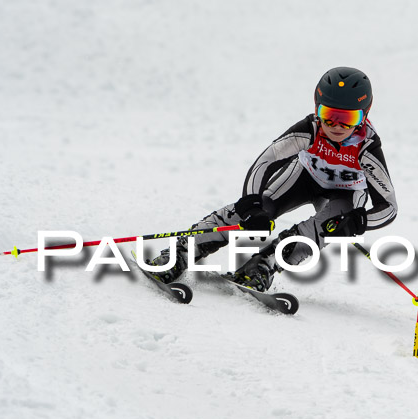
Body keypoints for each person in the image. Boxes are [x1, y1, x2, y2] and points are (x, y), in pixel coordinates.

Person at [150, 66, 398, 291]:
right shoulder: (309, 129)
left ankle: (262, 265)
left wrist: (360, 221)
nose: (336, 125)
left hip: (347, 193)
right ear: (316, 108)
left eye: (348, 119)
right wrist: (252, 204)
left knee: (322, 229)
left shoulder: (368, 148)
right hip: (304, 177)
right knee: (257, 208)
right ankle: (181, 252)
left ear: (364, 116)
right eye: (328, 114)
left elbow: (388, 207)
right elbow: (265, 161)